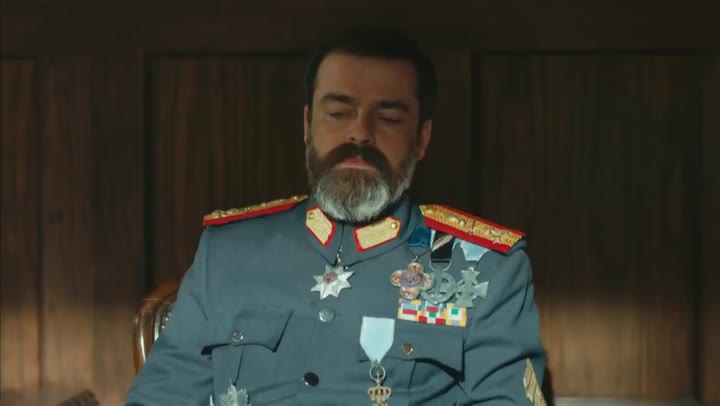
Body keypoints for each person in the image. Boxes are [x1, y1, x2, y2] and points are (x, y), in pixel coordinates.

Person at [126, 26, 547, 406]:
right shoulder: (228, 252)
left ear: (421, 139)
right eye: (339, 113)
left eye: (388, 117)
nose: (360, 133)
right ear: (307, 124)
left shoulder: (489, 269)